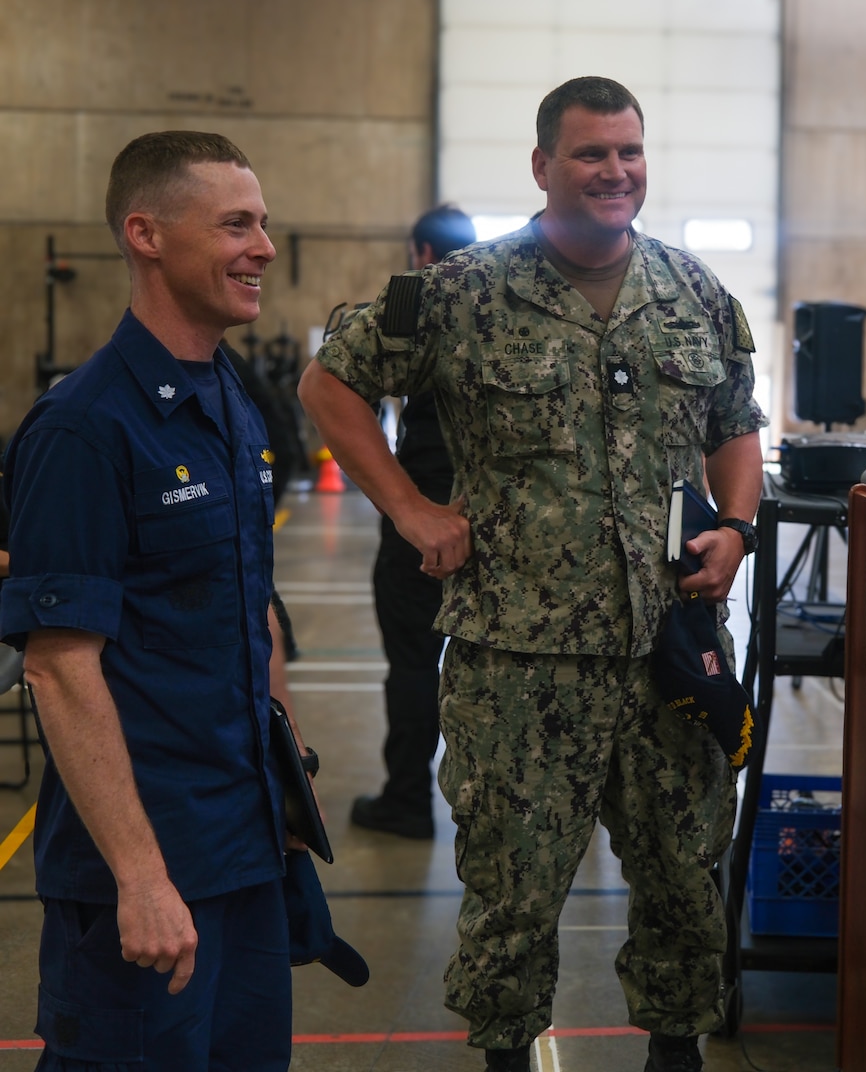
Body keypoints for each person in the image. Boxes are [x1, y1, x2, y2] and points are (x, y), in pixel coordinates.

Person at [297, 75, 766, 1072]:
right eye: (591, 153)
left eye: (629, 150)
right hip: (519, 661)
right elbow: (328, 383)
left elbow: (736, 427)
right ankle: (505, 1058)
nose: (614, 171)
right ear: (543, 165)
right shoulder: (460, 291)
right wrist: (412, 509)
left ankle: (674, 1052)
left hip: (668, 650)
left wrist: (735, 527)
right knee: (512, 888)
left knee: (684, 875)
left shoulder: (693, 292)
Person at [1, 131, 303, 1070]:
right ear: (146, 234)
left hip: (246, 847)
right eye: (235, 224)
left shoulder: (230, 398)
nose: (263, 247)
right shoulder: (85, 428)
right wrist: (140, 877)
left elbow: (252, 600)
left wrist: (288, 774)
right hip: (149, 866)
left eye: (262, 223)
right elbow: (58, 663)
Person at [351, 204, 479, 840]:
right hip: (497, 521)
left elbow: (344, 392)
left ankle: (406, 800)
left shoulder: (411, 307)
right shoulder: (499, 300)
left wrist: (405, 508)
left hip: (422, 518)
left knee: (411, 665)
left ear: (424, 252)